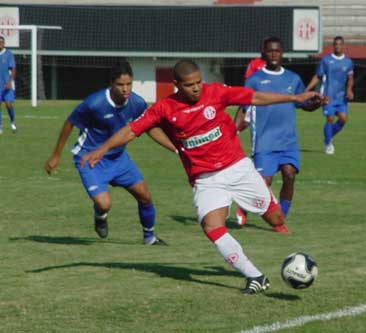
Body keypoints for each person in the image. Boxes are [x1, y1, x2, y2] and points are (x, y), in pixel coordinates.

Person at [80, 59, 321, 294]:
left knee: (276, 220)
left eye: (198, 82)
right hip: (206, 179)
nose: (195, 87)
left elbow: (254, 97)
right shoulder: (164, 108)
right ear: (176, 84)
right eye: (188, 84)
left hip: (238, 169)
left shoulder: (216, 93)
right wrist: (101, 150)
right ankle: (255, 276)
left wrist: (295, 97)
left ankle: (262, 216)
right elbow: (131, 130)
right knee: (211, 226)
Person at [44, 61, 169, 245]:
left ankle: (149, 237)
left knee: (145, 196)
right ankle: (100, 215)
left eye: (129, 84)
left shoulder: (137, 103)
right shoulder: (94, 103)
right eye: (120, 85)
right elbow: (70, 123)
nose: (125, 89)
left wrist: (174, 147)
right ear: (111, 83)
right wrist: (56, 155)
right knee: (104, 203)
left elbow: (149, 128)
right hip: (89, 159)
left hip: (119, 159)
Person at [233, 36, 321, 229]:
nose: (274, 54)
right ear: (263, 53)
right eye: (270, 51)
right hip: (264, 141)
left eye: (277, 50)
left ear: (283, 53)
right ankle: (244, 206)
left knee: (289, 174)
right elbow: (243, 108)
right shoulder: (254, 80)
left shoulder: (292, 78)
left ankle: (280, 219)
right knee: (264, 182)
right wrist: (232, 132)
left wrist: (315, 104)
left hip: (288, 140)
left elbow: (302, 104)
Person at [306, 36, 354, 155]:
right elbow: (318, 76)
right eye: (335, 44)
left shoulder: (348, 62)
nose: (337, 46)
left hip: (341, 97)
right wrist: (307, 89)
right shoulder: (326, 60)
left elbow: (350, 78)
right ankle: (328, 144)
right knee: (330, 118)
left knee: (343, 119)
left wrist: (349, 90)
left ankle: (328, 136)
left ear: (343, 46)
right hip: (328, 96)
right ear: (333, 46)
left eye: (340, 44)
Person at [0, 36, 17, 134]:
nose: (0, 44)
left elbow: (13, 69)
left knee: (8, 104)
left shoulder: (8, 54)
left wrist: (10, 82)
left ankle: (13, 122)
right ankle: (0, 126)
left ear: (4, 43)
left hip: (7, 84)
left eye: (1, 42)